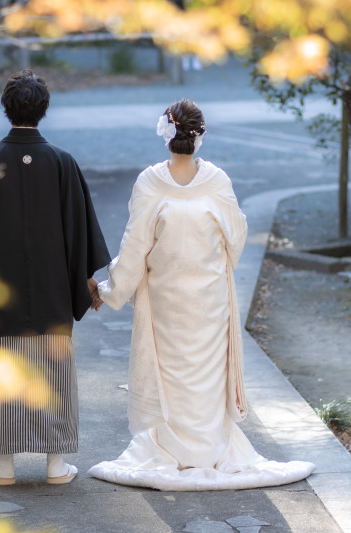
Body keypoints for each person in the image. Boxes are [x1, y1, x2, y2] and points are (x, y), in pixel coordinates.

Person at [87, 99, 315, 491]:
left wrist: (109, 291)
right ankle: (210, 448)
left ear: (165, 135)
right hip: (210, 301)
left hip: (165, 300)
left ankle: (173, 449)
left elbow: (135, 246)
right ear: (200, 136)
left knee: (172, 377)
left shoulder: (150, 182)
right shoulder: (217, 181)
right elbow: (237, 238)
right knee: (206, 377)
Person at [0, 70, 111, 486]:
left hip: (1, 296)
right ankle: (56, 465)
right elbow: (80, 232)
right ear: (44, 109)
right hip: (54, 293)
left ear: (6, 108)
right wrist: (84, 282)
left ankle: (3, 466)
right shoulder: (62, 162)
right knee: (52, 370)